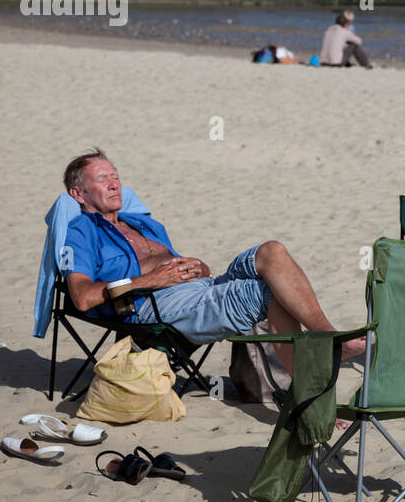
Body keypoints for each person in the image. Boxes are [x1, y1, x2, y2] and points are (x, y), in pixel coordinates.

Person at [60, 149, 364, 370]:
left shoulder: (143, 223)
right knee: (266, 293)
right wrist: (151, 281)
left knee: (272, 251)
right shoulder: (82, 231)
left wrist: (200, 268)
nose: (115, 184)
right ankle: (305, 389)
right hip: (153, 306)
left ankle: (328, 337)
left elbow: (177, 264)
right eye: (103, 179)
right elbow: (83, 297)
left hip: (200, 288)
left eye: (116, 176)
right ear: (79, 193)